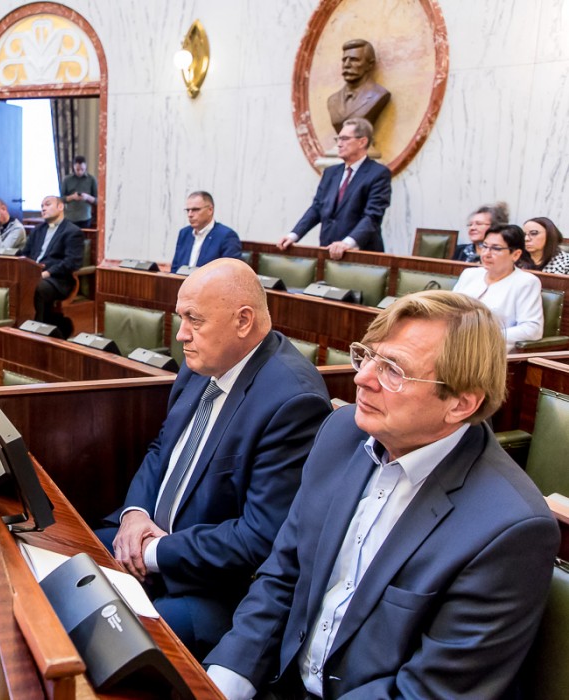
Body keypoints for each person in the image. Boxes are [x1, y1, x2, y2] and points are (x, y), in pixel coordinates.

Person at [206, 290, 559, 699]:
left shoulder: (509, 529)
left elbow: (429, 692)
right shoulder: (342, 433)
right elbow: (284, 575)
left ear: (461, 404)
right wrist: (226, 682)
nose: (362, 378)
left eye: (393, 370)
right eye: (368, 356)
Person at [95, 259, 331, 657]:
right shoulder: (204, 361)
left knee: (115, 645)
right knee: (59, 564)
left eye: (195, 319)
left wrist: (153, 553)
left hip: (216, 587)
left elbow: (259, 537)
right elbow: (163, 449)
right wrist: (134, 515)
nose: (181, 334)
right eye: (181, 318)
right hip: (152, 539)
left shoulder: (293, 400)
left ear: (243, 321)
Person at [279, 117, 391, 259]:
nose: (339, 144)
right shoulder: (331, 173)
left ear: (362, 142)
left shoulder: (378, 174)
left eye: (344, 139)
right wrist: (294, 235)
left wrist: (347, 243)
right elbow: (317, 208)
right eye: (338, 139)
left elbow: (372, 216)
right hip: (327, 251)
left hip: (361, 255)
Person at [453, 224, 543, 351]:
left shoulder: (526, 282)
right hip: (456, 344)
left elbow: (532, 330)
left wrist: (484, 336)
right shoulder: (469, 274)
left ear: (516, 255)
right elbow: (449, 310)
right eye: (484, 246)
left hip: (493, 351)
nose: (486, 254)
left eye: (496, 248)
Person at [18, 195, 84, 338]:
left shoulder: (72, 231)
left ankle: (37, 333)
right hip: (33, 275)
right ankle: (17, 329)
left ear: (60, 207)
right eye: (42, 206)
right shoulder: (38, 230)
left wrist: (47, 273)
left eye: (47, 204)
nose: (43, 208)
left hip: (58, 280)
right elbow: (25, 254)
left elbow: (72, 262)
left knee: (37, 287)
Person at [325, 39, 391, 135]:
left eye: (354, 60)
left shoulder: (378, 95)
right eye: (344, 60)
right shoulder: (332, 100)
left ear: (370, 65)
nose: (346, 65)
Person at [170, 191, 242, 270]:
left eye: (195, 209)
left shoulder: (226, 236)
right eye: (188, 210)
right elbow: (175, 269)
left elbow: (229, 272)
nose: (190, 215)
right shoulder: (184, 233)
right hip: (181, 278)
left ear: (210, 210)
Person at [60, 155, 97, 228]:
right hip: (70, 218)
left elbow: (98, 200)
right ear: (73, 167)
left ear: (85, 167)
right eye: (77, 169)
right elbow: (61, 199)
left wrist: (87, 197)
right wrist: (72, 197)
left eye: (82, 169)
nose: (80, 172)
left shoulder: (92, 179)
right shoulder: (66, 179)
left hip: (85, 218)